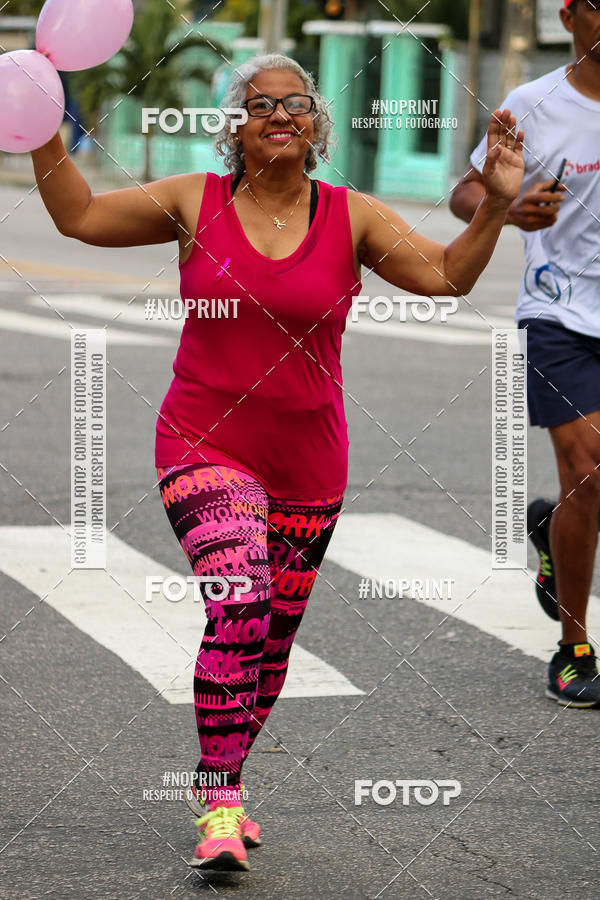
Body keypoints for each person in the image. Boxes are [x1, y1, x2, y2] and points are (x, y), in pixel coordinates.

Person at [31, 52, 524, 872]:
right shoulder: (196, 200)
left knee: (270, 644)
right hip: (204, 442)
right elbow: (78, 216)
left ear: (317, 124)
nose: (281, 115)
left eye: (297, 103)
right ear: (236, 125)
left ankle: (218, 774)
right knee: (241, 601)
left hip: (309, 462)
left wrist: (496, 209)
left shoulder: (351, 215)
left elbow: (445, 277)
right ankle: (221, 805)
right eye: (262, 106)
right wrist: (39, 120)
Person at [450, 0, 600, 708]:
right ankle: (574, 647)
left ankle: (551, 530)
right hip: (560, 310)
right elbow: (467, 191)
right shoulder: (532, 103)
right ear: (570, 16)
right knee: (589, 471)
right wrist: (506, 208)